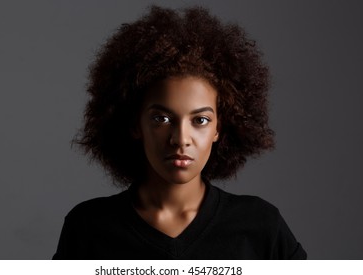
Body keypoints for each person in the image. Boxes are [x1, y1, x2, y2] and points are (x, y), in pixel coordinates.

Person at [53, 5, 306, 260]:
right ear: (134, 124)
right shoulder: (88, 228)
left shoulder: (260, 226)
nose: (181, 139)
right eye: (162, 118)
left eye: (200, 120)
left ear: (219, 127)